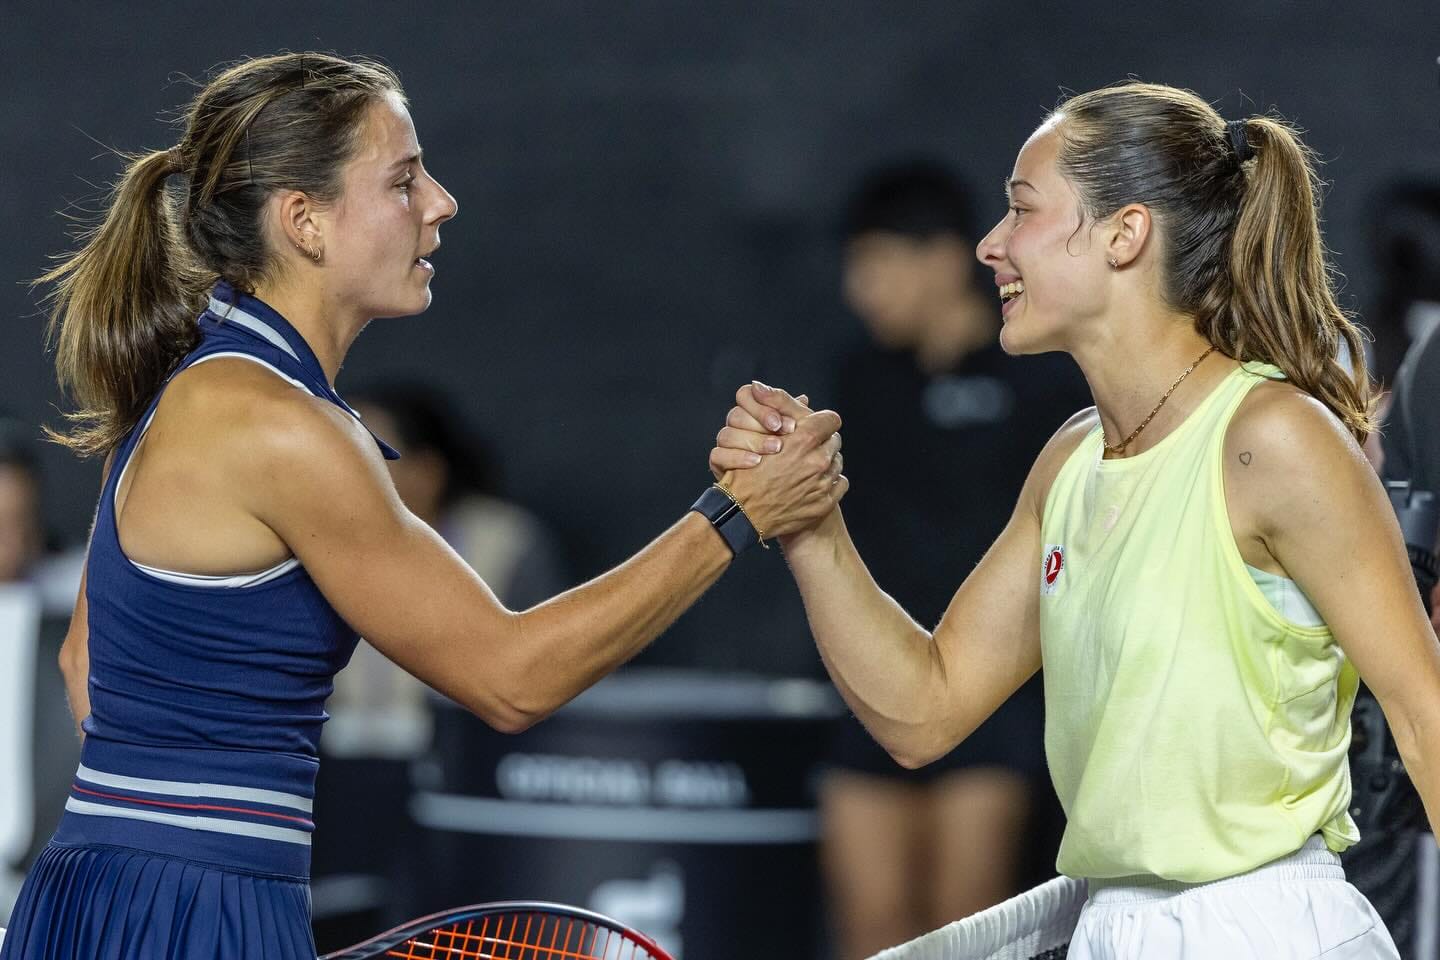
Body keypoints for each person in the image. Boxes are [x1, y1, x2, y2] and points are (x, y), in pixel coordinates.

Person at [2, 52, 844, 960]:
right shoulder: (286, 429)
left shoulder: (181, 386)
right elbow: (512, 678)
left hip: (94, 894)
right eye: (403, 180)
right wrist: (736, 512)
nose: (440, 202)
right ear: (305, 222)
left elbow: (90, 669)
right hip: (197, 908)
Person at [713, 81, 1437, 957]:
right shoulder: (1069, 459)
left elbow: (1425, 713)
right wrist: (808, 527)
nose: (990, 246)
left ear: (1124, 234)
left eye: (1021, 211)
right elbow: (922, 711)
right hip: (1110, 929)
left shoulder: (1273, 438)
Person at [819, 161, 1086, 957]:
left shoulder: (1039, 381)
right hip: (870, 686)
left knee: (963, 927)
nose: (861, 289)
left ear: (942, 259)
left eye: (877, 264)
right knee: (870, 928)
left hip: (995, 694)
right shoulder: (856, 382)